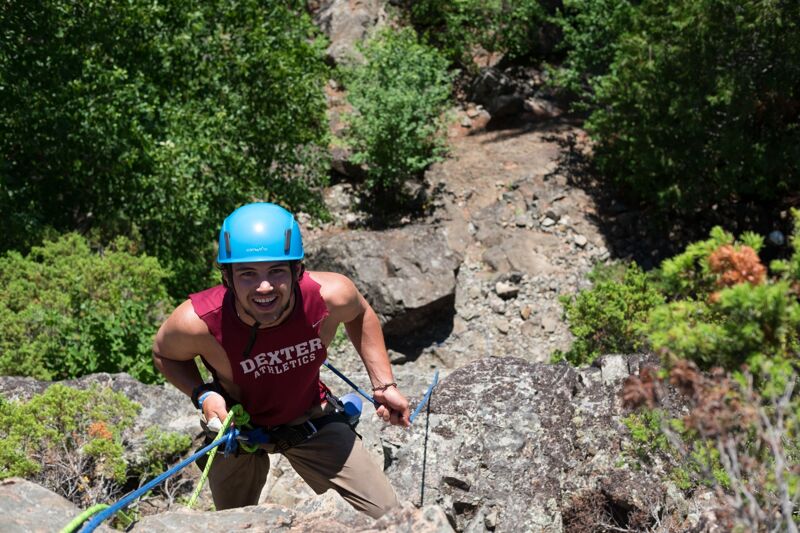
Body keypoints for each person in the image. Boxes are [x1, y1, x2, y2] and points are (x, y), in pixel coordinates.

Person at [152, 202, 409, 518]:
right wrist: (203, 394)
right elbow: (164, 354)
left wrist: (383, 384)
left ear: (297, 270)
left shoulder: (330, 296)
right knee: (231, 523)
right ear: (228, 278)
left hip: (310, 418)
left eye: (276, 270)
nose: (264, 286)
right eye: (247, 273)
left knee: (387, 517)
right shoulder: (199, 321)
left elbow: (361, 313)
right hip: (238, 430)